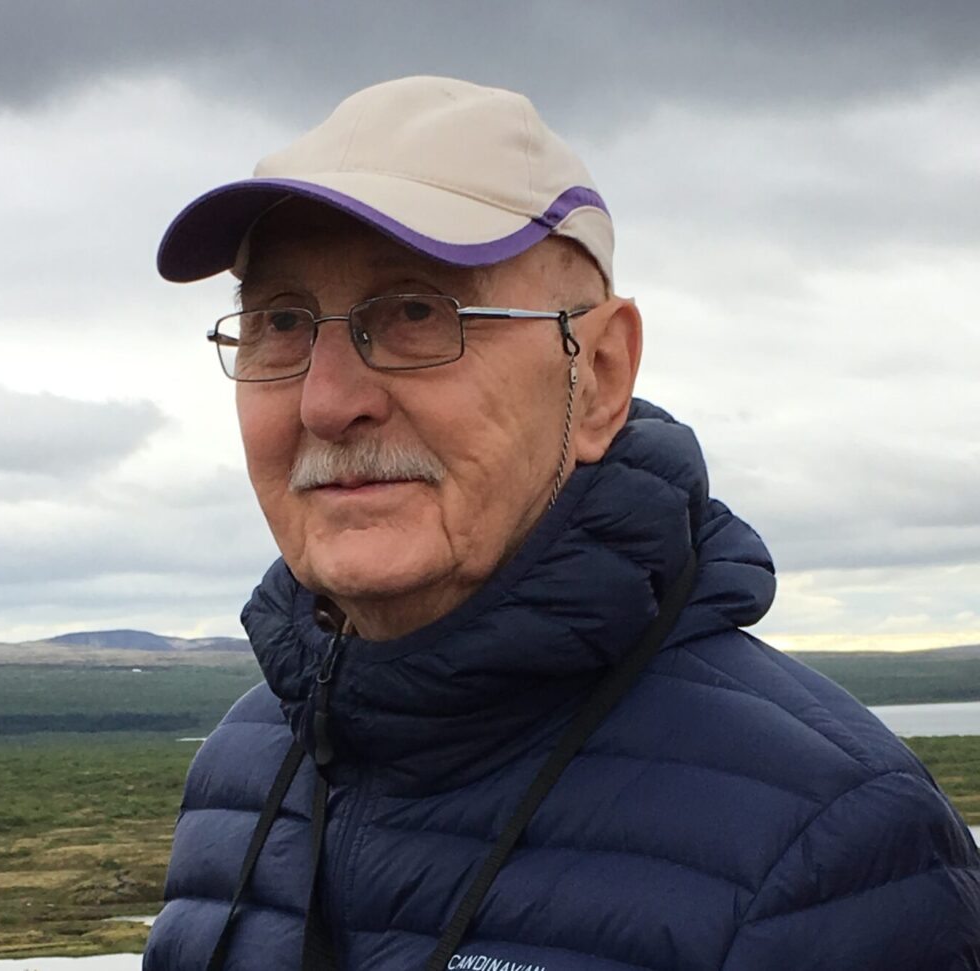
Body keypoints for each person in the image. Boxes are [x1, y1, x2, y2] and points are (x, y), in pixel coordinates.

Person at [143, 76, 980, 971]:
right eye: (280, 321)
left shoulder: (831, 851)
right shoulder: (241, 774)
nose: (327, 401)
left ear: (602, 375)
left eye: (418, 311)